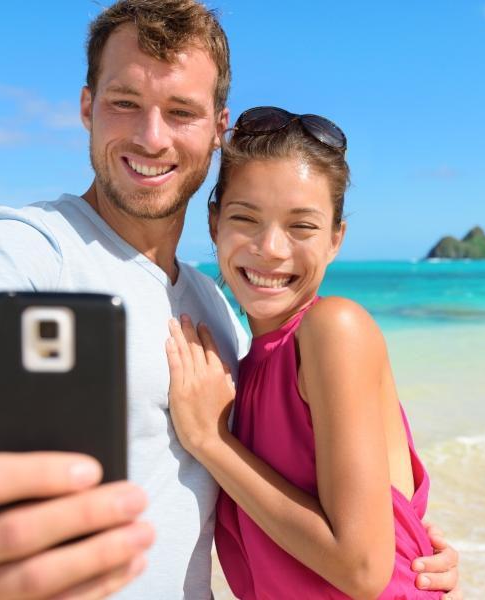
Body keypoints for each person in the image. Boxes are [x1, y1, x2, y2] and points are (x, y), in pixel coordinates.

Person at [0, 1, 460, 599]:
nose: (151, 138)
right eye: (125, 102)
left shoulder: (221, 315)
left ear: (216, 128)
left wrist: (409, 548)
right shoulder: (30, 250)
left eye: (181, 111)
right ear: (86, 108)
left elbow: (316, 503)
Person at [165, 106, 446, 599]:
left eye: (302, 227)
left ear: (336, 238)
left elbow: (361, 569)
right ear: (213, 223)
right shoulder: (242, 364)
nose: (270, 247)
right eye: (245, 218)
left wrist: (211, 443)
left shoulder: (334, 329)